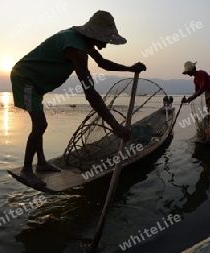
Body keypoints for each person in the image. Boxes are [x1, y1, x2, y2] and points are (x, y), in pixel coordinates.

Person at [10, 10, 146, 187]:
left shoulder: (84, 42)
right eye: (104, 40)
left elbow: (103, 63)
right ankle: (27, 170)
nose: (104, 45)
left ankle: (41, 163)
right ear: (95, 35)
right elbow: (90, 93)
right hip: (25, 79)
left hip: (37, 82)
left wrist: (130, 68)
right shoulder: (76, 48)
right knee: (40, 124)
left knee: (39, 125)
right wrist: (115, 126)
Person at [181, 61, 210, 143]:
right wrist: (188, 100)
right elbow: (197, 92)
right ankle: (208, 135)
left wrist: (191, 98)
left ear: (193, 69)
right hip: (208, 93)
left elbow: (202, 88)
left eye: (188, 71)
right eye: (187, 72)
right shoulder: (195, 80)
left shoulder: (201, 73)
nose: (188, 74)